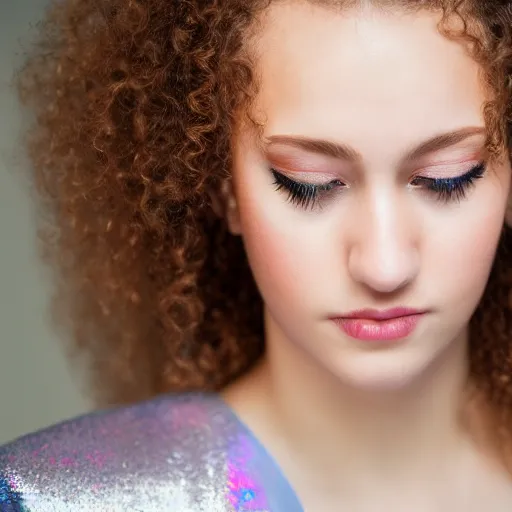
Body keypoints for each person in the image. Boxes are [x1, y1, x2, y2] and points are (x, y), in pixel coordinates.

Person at [2, 0, 512, 509]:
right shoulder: (54, 500)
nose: (384, 265)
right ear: (224, 187)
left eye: (448, 178)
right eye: (308, 184)